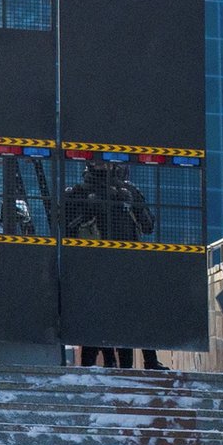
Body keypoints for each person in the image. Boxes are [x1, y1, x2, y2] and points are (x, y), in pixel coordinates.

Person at [62, 159, 163, 370]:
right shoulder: (78, 192)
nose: (104, 166)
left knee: (134, 314)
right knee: (95, 318)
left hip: (127, 263)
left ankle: (148, 363)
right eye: (99, 162)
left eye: (107, 162)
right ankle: (92, 365)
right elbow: (65, 230)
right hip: (94, 266)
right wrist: (90, 208)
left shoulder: (129, 190)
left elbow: (148, 225)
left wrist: (127, 202)